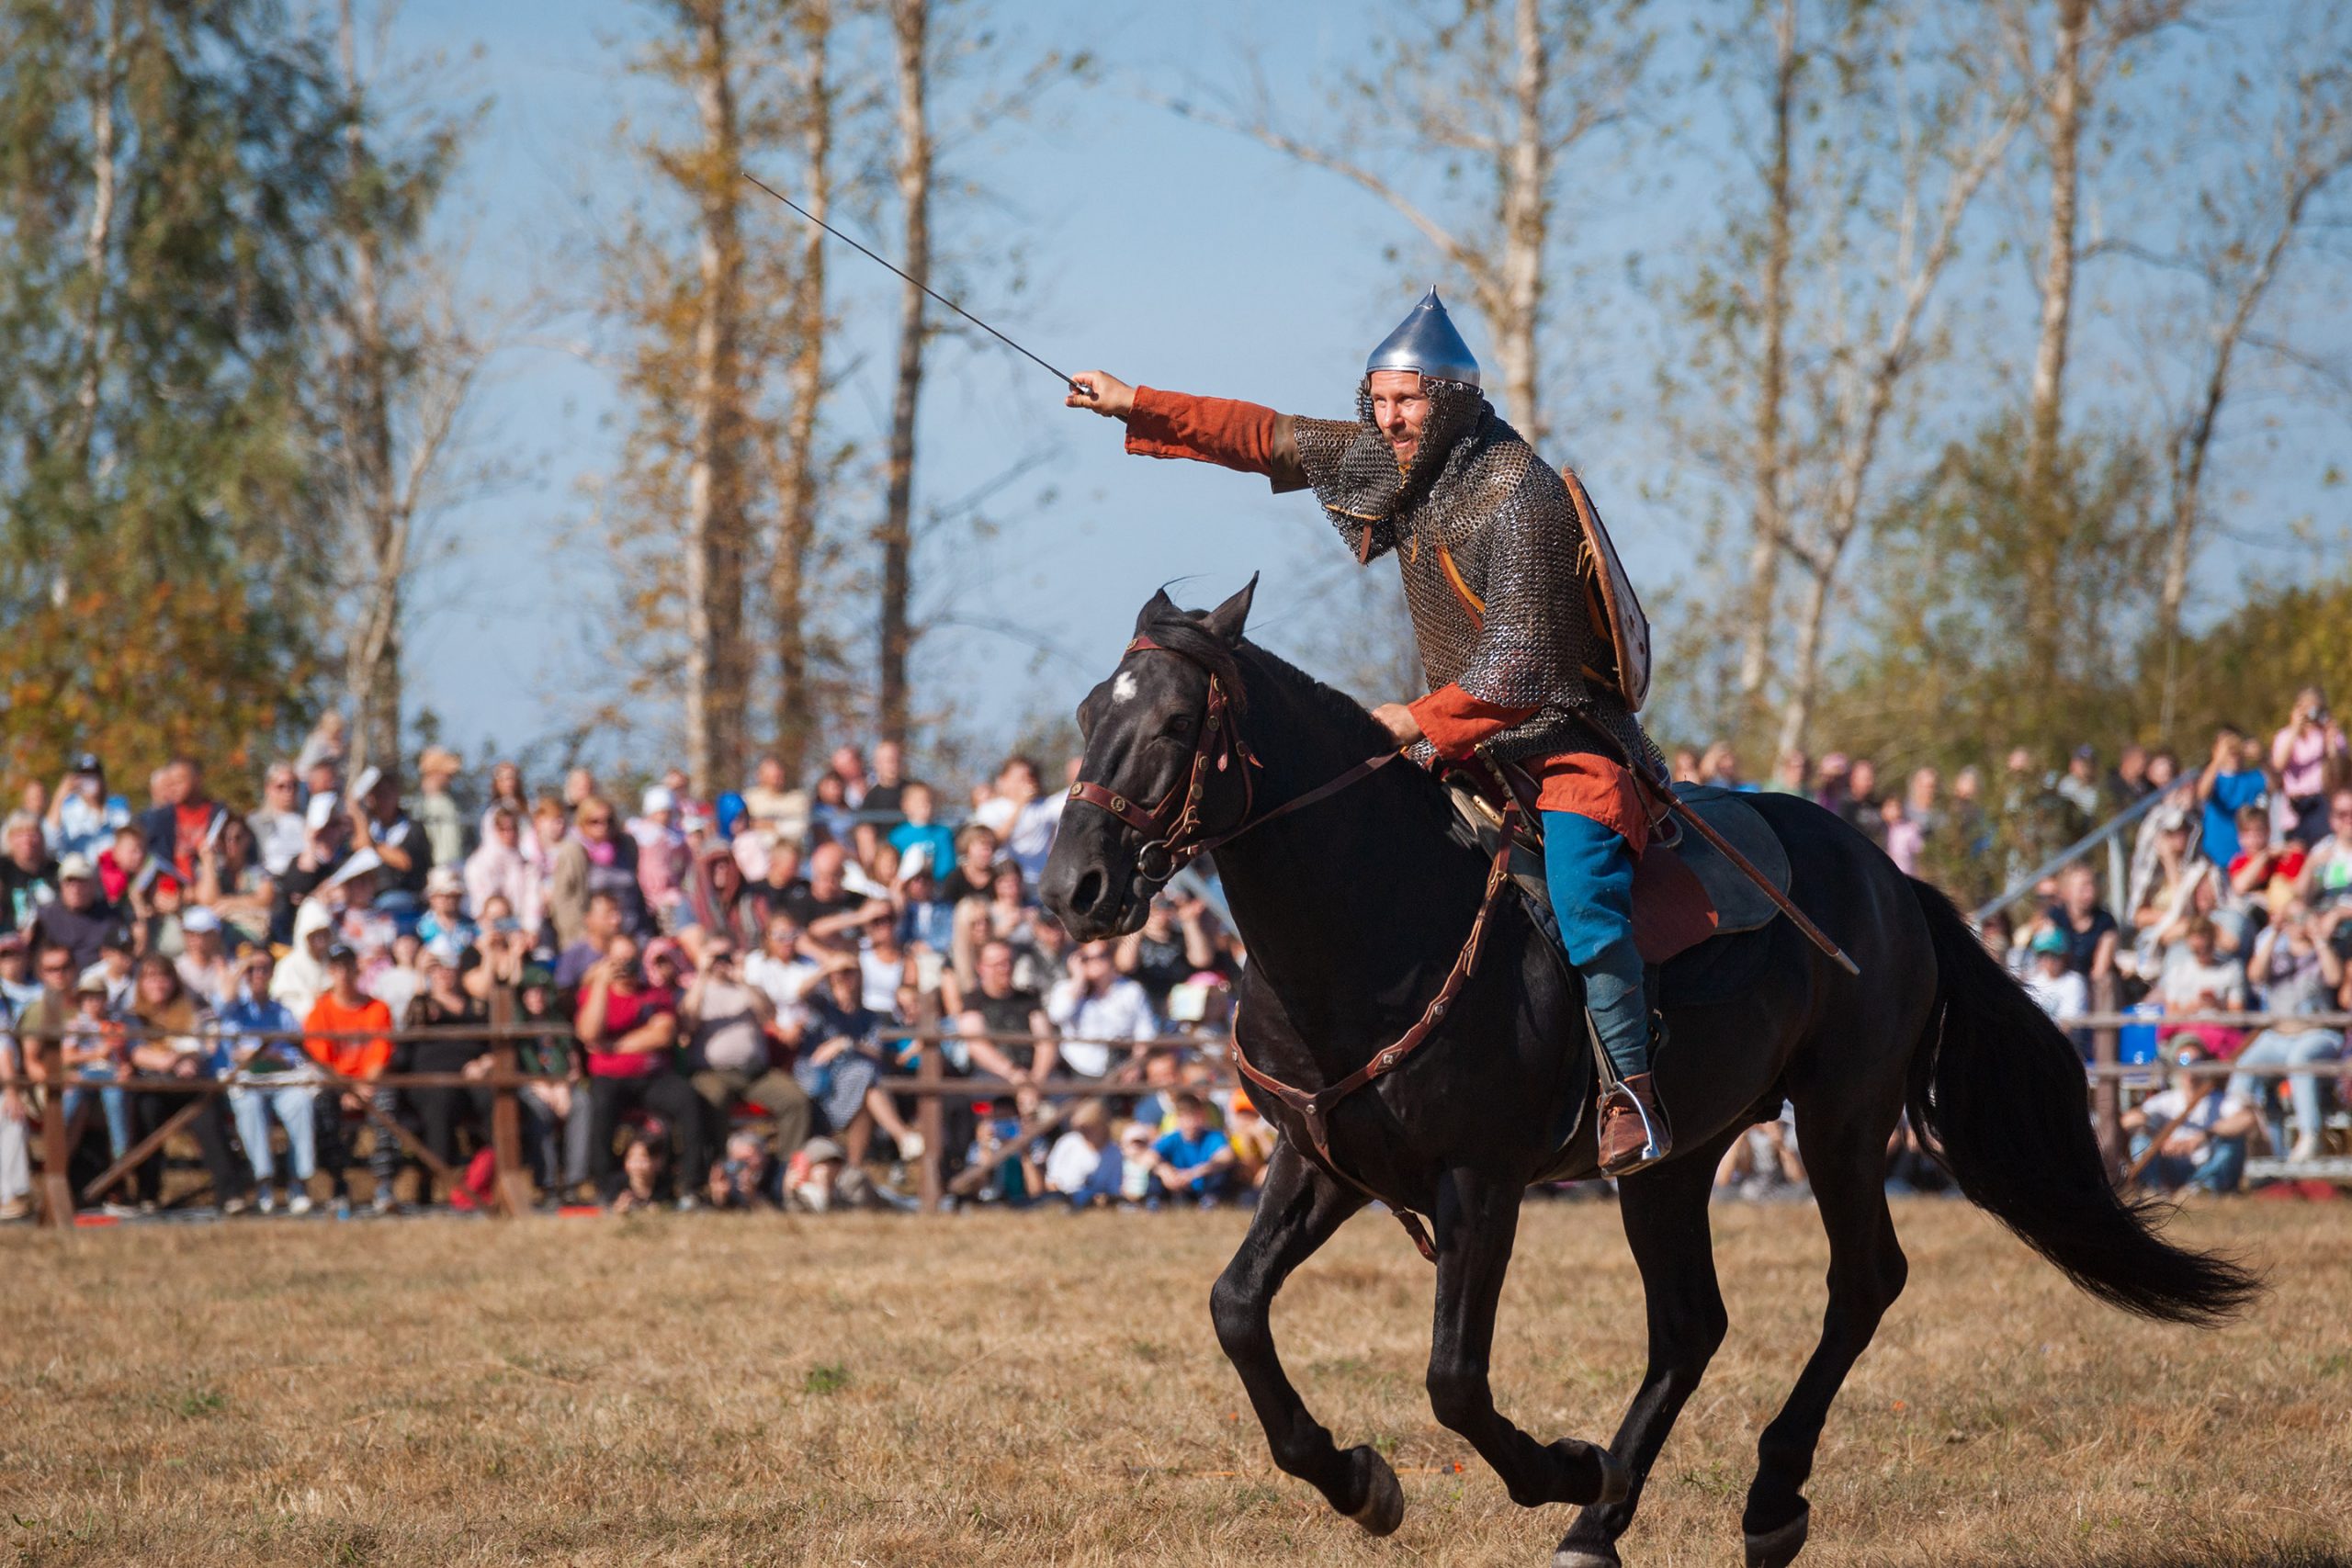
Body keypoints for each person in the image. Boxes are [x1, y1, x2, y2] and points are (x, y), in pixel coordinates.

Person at [1069, 289, 1675, 1170]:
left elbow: (1526, 666)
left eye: (1410, 401)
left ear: (1452, 401)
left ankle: (1631, 1091)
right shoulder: (1405, 465)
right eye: (1381, 400)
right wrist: (1139, 404)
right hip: (1460, 749)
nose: (1392, 418)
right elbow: (1270, 435)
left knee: (1584, 901)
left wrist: (1412, 719)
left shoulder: (1520, 494)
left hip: (1561, 746)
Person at [577, 932, 707, 1208]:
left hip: (652, 1077)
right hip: (610, 1079)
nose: (625, 966)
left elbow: (663, 1035)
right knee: (599, 1106)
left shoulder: (655, 994)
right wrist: (601, 982)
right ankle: (606, 1187)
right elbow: (589, 1033)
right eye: (618, 961)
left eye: (630, 960)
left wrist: (610, 1046)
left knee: (688, 1099)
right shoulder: (593, 993)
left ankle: (689, 1185)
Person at [121, 953, 248, 1213]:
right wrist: (174, 1059)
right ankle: (148, 1194)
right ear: (141, 984)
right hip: (153, 1087)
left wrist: (183, 1057)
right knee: (146, 1114)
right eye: (150, 978)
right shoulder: (132, 1016)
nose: (158, 984)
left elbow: (205, 1046)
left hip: (189, 1086)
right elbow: (138, 1054)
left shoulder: (192, 1009)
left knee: (209, 1117)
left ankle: (230, 1194)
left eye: (163, 977)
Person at [2229, 905, 2345, 1163]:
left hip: (2319, 1033)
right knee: (2245, 1065)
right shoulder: (2275, 950)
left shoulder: (2323, 949)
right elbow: (2255, 975)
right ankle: (2249, 1135)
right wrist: (2274, 931)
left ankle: (2309, 1135)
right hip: (2279, 1034)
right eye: (2292, 917)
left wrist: (2318, 938)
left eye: (2301, 917)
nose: (2296, 922)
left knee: (2300, 1059)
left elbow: (2335, 978)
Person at [681, 939, 814, 1159]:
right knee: (713, 1098)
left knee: (796, 1101)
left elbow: (770, 1014)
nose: (720, 962)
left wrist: (742, 980)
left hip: (756, 1073)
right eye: (716, 956)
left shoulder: (747, 988)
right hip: (712, 1073)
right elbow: (687, 1024)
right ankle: (718, 1165)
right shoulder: (694, 990)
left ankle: (786, 1171)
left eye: (726, 955)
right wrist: (703, 975)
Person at [303, 944, 401, 1215]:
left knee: (387, 1105)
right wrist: (345, 1089)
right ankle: (338, 1186)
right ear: (329, 972)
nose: (343, 974)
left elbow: (381, 1053)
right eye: (336, 967)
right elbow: (320, 1059)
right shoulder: (320, 1012)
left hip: (369, 1083)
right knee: (322, 1108)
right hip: (335, 1086)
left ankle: (385, 1186)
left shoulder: (377, 1008)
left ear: (356, 970)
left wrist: (362, 1088)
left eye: (347, 966)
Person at [219, 947, 317, 1214]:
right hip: (248, 1080)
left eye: (264, 969)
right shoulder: (233, 1010)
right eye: (252, 969)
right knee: (249, 1107)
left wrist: (273, 1055)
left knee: (300, 1103)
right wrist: (240, 970)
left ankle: (299, 1181)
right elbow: (230, 1051)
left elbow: (297, 1054)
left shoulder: (283, 1012)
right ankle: (264, 1181)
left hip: (281, 1078)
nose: (258, 975)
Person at [399, 952, 494, 1203]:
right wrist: (420, 982)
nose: (444, 974)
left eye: (449, 968)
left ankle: (486, 1171)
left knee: (497, 1100)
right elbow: (407, 1041)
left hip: (471, 1078)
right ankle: (442, 1177)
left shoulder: (477, 1007)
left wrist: (485, 1062)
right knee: (441, 1099)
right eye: (437, 968)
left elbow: (495, 1046)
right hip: (430, 1081)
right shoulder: (422, 1006)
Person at [2123, 1043, 2256, 1195]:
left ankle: (2201, 1188)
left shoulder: (2220, 1100)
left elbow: (2247, 1120)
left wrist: (2204, 1136)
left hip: (2206, 1166)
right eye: (2183, 1062)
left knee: (2233, 1141)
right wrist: (2160, 1140)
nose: (2190, 1069)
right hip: (2170, 1165)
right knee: (2140, 1140)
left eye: (2196, 1062)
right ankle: (2154, 1190)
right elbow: (2129, 1120)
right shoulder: (2165, 1100)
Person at [1046, 940, 1156, 1078]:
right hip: (1078, 1069)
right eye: (1086, 957)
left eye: (1101, 956)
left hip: (1122, 1066)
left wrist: (1135, 1065)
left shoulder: (1131, 990)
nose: (1094, 961)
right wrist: (1079, 979)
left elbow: (1145, 1031)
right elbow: (1057, 1016)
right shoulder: (1066, 989)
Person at [551, 796, 643, 948]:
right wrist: (583, 939)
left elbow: (638, 894)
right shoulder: (572, 852)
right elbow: (563, 902)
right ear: (582, 823)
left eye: (609, 820)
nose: (603, 826)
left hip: (632, 932)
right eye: (595, 821)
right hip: (591, 938)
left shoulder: (627, 845)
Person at [2272, 687, 2346, 847]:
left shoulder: (2329, 734)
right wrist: (2295, 729)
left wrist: (2331, 742)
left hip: (2323, 803)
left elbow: (2340, 770)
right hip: (2295, 807)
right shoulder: (2284, 736)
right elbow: (2278, 766)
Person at [30, 854, 120, 976]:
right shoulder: (45, 917)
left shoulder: (111, 917)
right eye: (70, 882)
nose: (75, 888)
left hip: (97, 982)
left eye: (82, 882)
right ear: (61, 885)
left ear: (94, 884)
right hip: (57, 980)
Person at [2197, 727, 2269, 870]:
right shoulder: (2216, 779)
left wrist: (2262, 758)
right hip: (2217, 856)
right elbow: (2202, 793)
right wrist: (2217, 760)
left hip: (2250, 857)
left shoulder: (2253, 777)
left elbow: (2276, 785)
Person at [1149, 1091, 1235, 1204]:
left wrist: (1193, 1173)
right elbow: (1149, 1156)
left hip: (1204, 1185)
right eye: (1185, 1117)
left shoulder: (1214, 1136)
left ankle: (1211, 1199)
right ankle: (1155, 1200)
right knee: (1154, 1170)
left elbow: (1227, 1157)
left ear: (1202, 1117)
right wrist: (1165, 1171)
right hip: (1179, 1187)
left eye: (1194, 1117)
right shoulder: (1172, 1138)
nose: (1190, 1123)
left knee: (1221, 1173)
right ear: (1178, 1119)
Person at [1044, 1099, 1123, 1206]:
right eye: (1081, 1128)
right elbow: (1051, 1180)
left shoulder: (1115, 1153)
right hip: (1063, 1198)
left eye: (1089, 1127)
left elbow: (1114, 1188)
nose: (1084, 1132)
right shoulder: (1068, 1142)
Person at [413, 748, 468, 871]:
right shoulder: (428, 804)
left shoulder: (448, 801)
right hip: (439, 868)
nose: (450, 779)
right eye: (446, 775)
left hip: (453, 866)